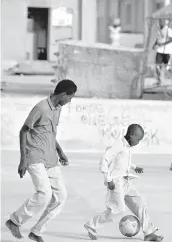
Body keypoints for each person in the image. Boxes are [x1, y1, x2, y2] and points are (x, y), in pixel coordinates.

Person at [5, 79, 77, 242]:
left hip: (50, 157)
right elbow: (23, 131)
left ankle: (36, 231)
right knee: (44, 194)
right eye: (70, 97)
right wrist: (23, 159)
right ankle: (14, 221)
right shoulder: (41, 108)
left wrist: (60, 151)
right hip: (34, 156)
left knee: (61, 196)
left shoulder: (57, 108)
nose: (70, 101)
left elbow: (49, 133)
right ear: (63, 94)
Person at [84, 124, 163, 242]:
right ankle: (92, 225)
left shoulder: (127, 147)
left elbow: (122, 161)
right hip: (116, 183)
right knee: (117, 210)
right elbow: (104, 160)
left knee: (140, 203)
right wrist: (108, 179)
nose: (138, 142)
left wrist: (134, 167)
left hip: (126, 181)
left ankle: (149, 233)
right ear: (131, 135)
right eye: (138, 139)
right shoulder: (118, 145)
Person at [153, 19, 172, 86]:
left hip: (167, 51)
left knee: (168, 66)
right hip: (159, 51)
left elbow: (171, 39)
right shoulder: (159, 30)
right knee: (157, 65)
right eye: (159, 21)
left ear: (164, 22)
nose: (160, 23)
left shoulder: (168, 30)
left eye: (161, 21)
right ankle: (159, 81)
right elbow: (158, 39)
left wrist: (163, 44)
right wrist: (154, 44)